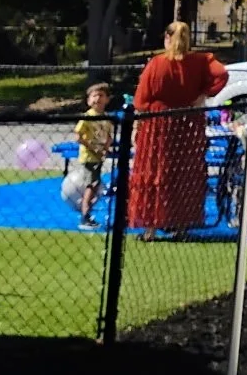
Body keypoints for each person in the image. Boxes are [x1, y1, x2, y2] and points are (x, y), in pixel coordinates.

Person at [128, 23, 227, 240]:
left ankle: (151, 228)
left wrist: (139, 123)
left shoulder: (156, 64)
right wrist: (202, 95)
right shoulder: (200, 61)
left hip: (158, 125)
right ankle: (181, 226)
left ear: (167, 37)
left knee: (155, 170)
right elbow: (222, 74)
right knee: (185, 172)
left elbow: (141, 99)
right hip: (187, 122)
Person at [73, 83, 114, 230]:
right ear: (89, 100)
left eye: (101, 95)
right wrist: (92, 148)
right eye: (94, 95)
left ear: (107, 99)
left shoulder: (106, 118)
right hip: (89, 157)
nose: (97, 98)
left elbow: (109, 136)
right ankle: (85, 216)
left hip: (99, 157)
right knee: (92, 184)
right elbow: (78, 135)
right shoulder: (87, 117)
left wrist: (105, 149)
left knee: (95, 185)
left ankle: (87, 213)